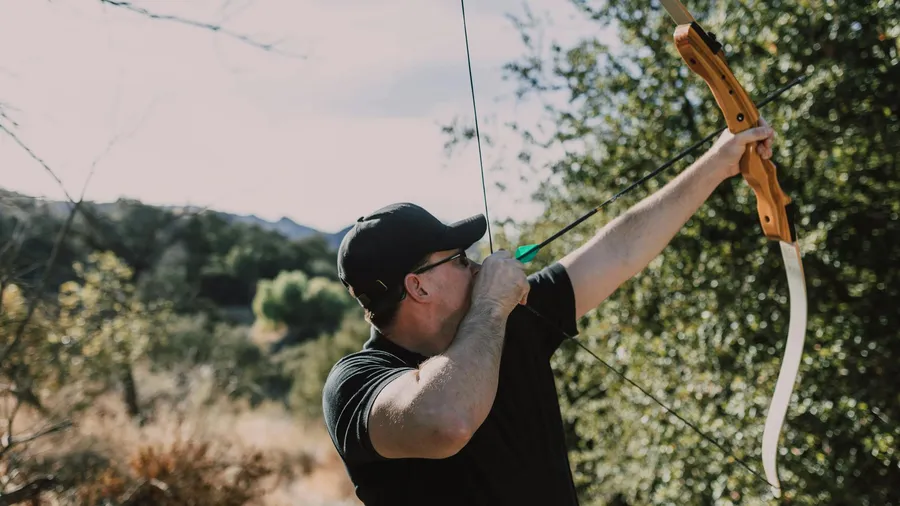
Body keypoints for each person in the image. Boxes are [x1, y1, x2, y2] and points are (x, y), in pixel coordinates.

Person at [322, 120, 777, 505]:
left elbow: (619, 250)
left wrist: (721, 161)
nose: (478, 265)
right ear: (418, 286)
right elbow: (448, 422)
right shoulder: (357, 383)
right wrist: (490, 306)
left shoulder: (504, 321)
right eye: (460, 259)